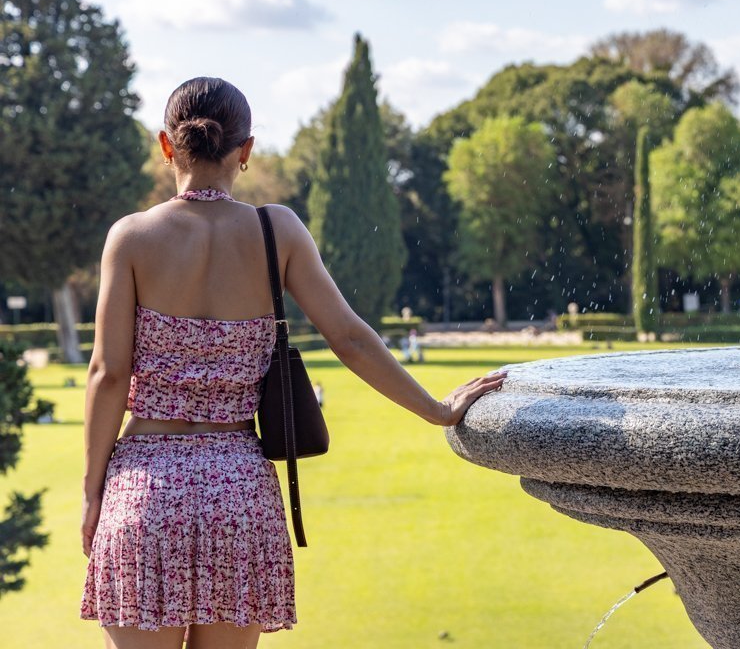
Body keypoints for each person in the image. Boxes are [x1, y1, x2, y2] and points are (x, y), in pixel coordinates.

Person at [79, 77, 504, 648]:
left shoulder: (131, 237)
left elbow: (108, 374)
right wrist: (438, 410)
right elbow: (350, 339)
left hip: (144, 494)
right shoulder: (276, 231)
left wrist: (92, 492)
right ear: (246, 150)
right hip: (238, 494)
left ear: (166, 145)